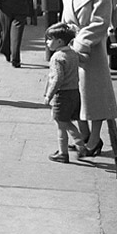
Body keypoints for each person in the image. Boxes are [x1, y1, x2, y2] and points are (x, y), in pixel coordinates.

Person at [60, 0, 117, 157]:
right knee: (76, 97)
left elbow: (100, 22)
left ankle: (94, 140)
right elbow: (65, 21)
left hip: (90, 51)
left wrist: (79, 43)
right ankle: (83, 136)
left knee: (94, 97)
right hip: (71, 51)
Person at [43, 22, 90, 163]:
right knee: (67, 122)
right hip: (75, 93)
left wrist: (48, 96)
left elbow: (57, 79)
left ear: (59, 41)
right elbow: (84, 59)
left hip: (62, 95)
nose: (47, 42)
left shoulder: (57, 57)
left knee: (61, 125)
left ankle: (63, 153)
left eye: (49, 39)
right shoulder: (72, 53)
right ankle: (81, 146)